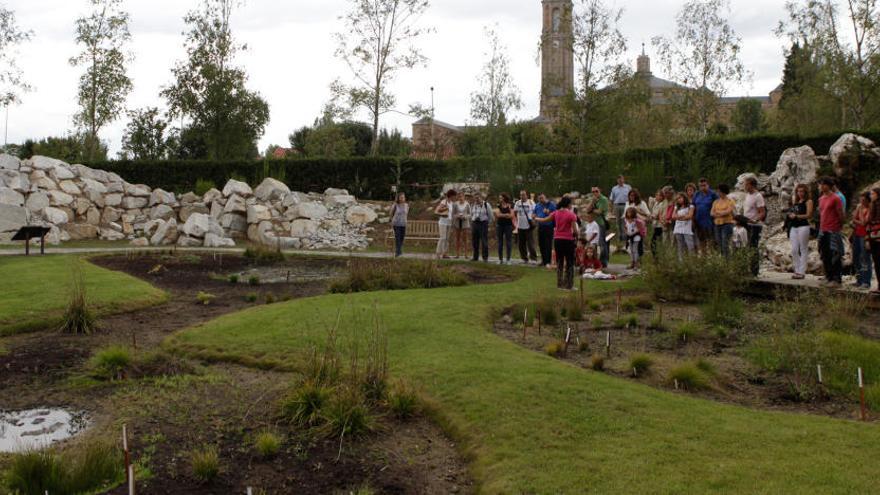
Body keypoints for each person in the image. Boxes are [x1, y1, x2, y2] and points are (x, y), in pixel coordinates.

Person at [536, 196, 580, 290]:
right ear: (568, 204)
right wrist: (577, 236)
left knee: (559, 262)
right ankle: (569, 285)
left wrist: (536, 218)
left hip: (557, 240)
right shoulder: (571, 215)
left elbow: (544, 220)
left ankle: (560, 284)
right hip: (568, 240)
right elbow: (575, 231)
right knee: (569, 262)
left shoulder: (556, 213)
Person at [817, 177, 845, 286]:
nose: (821, 186)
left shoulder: (835, 198)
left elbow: (841, 214)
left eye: (823, 184)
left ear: (829, 185)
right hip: (823, 229)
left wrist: (839, 226)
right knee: (825, 254)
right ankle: (828, 276)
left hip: (833, 229)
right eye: (820, 184)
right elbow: (821, 214)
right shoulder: (821, 199)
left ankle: (837, 279)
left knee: (835, 253)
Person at [785, 184, 814, 280]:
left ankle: (802, 271)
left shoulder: (808, 201)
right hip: (794, 227)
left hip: (803, 226)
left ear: (805, 192)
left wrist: (796, 216)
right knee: (794, 249)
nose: (800, 193)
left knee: (803, 248)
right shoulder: (796, 202)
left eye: (802, 191)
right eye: (798, 191)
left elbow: (809, 215)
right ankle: (797, 270)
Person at [743, 176, 767, 276]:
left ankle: (754, 271)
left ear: (751, 185)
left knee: (753, 247)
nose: (744, 186)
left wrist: (755, 220)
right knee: (746, 246)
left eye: (746, 184)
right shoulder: (748, 195)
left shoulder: (758, 196)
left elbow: (762, 212)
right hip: (746, 224)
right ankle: (747, 268)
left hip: (754, 225)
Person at [852, 191, 873, 289]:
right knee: (856, 258)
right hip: (857, 234)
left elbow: (864, 223)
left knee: (865, 258)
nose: (861, 201)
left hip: (865, 236)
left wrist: (860, 210)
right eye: (860, 198)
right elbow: (853, 219)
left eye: (863, 199)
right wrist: (858, 220)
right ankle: (859, 280)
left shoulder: (870, 208)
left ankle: (866, 282)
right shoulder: (859, 207)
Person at [693, 178, 720, 252]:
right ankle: (704, 257)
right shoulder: (697, 194)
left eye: (704, 185)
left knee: (712, 240)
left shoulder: (713, 194)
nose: (702, 187)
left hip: (710, 221)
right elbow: (693, 206)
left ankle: (713, 256)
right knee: (701, 240)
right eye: (700, 186)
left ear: (708, 185)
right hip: (699, 221)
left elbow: (718, 205)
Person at [711, 184, 736, 257]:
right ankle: (722, 258)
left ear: (723, 192)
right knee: (719, 242)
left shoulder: (730, 201)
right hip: (717, 224)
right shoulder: (716, 202)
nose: (718, 193)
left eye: (719, 191)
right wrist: (720, 213)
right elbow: (711, 213)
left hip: (727, 224)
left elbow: (728, 211)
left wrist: (718, 212)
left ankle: (727, 260)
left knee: (725, 243)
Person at [513, 190, 538, 264]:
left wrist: (533, 220)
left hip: (528, 226)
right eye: (521, 195)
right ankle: (524, 258)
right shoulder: (517, 203)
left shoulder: (531, 202)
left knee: (530, 243)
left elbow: (535, 212)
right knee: (521, 243)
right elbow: (515, 212)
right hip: (520, 226)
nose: (522, 196)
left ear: (527, 195)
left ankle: (533, 258)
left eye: (523, 195)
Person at [589, 186, 611, 267]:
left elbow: (599, 212)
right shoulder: (594, 200)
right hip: (595, 223)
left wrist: (592, 210)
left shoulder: (603, 199)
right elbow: (588, 210)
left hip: (601, 223)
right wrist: (592, 203)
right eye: (593, 192)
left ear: (600, 191)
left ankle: (603, 262)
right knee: (598, 243)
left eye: (596, 191)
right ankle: (596, 261)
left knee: (602, 243)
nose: (595, 193)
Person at [534, 194, 557, 267]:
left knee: (548, 244)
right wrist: (533, 215)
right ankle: (543, 260)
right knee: (541, 244)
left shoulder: (551, 205)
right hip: (540, 226)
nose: (541, 200)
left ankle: (548, 261)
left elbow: (556, 215)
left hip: (548, 226)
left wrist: (548, 213)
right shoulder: (537, 205)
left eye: (542, 198)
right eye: (539, 198)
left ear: (545, 198)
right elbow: (534, 212)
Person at [470, 193, 493, 262]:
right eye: (475, 198)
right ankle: (475, 257)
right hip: (475, 223)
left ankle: (485, 257)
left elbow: (491, 216)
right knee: (475, 241)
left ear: (481, 198)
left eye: (478, 198)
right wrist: (472, 221)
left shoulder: (486, 205)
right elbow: (471, 214)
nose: (476, 199)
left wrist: (488, 224)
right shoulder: (473, 205)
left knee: (484, 241)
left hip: (483, 224)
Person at [672, 192, 696, 260]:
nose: (679, 200)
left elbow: (689, 216)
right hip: (678, 228)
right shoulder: (676, 207)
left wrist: (679, 217)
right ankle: (681, 261)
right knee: (680, 246)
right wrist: (683, 216)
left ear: (684, 198)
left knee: (690, 246)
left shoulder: (690, 206)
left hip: (687, 229)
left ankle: (692, 261)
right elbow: (673, 216)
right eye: (677, 199)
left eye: (680, 198)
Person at [866, 187, 880, 294]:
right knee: (876, 261)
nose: (871, 196)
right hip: (873, 236)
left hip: (877, 236)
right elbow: (868, 223)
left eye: (872, 194)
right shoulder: (872, 205)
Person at [435, 190, 456, 259]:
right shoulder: (444, 201)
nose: (455, 197)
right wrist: (445, 208)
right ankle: (438, 253)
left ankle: (445, 253)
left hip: (449, 222)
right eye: (454, 196)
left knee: (447, 239)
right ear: (451, 195)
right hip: (443, 222)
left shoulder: (452, 203)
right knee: (442, 238)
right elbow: (437, 210)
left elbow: (451, 213)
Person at [449, 193, 471, 259]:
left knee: (465, 239)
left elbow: (470, 214)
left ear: (464, 197)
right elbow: (453, 214)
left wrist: (465, 216)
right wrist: (457, 216)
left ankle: (466, 254)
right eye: (459, 197)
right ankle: (457, 254)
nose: (460, 198)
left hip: (465, 223)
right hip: (457, 223)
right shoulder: (455, 204)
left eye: (462, 197)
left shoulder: (467, 204)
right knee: (457, 239)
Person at [610, 175, 632, 242]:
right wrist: (611, 208)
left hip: (625, 205)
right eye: (618, 180)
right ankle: (619, 237)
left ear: (623, 179)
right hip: (617, 206)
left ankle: (625, 237)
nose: (620, 181)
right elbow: (611, 199)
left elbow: (632, 196)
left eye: (621, 179)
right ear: (617, 181)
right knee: (618, 222)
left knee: (624, 221)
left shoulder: (628, 187)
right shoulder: (614, 188)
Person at [495, 193, 515, 264]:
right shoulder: (498, 205)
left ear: (504, 198)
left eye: (500, 197)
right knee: (500, 242)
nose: (499, 199)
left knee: (508, 242)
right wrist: (505, 215)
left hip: (508, 226)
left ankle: (508, 259)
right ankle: (500, 259)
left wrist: (502, 215)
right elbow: (497, 215)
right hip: (500, 225)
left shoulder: (510, 205)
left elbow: (512, 215)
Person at [650, 188, 669, 256]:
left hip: (660, 225)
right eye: (657, 195)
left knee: (655, 242)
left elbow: (661, 214)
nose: (658, 197)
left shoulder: (663, 204)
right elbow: (653, 213)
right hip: (655, 225)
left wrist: (656, 217)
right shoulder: (656, 203)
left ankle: (659, 257)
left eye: (660, 195)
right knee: (654, 243)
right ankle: (656, 257)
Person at [390, 192, 409, 257]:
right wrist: (392, 221)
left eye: (403, 197)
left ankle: (399, 251)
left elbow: (406, 214)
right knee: (397, 238)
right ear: (398, 198)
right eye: (401, 197)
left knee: (401, 238)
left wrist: (406, 221)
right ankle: (397, 252)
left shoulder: (406, 205)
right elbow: (391, 213)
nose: (402, 198)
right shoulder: (395, 205)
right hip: (396, 223)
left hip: (403, 224)